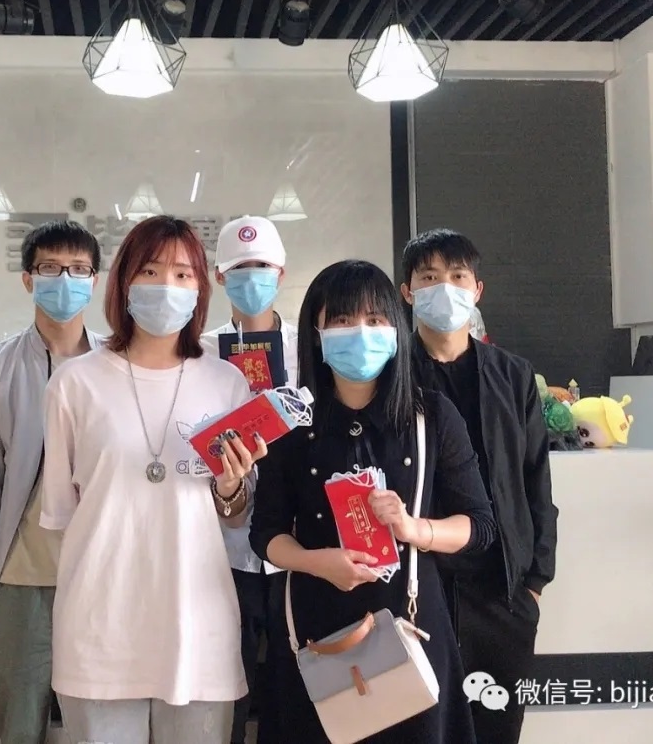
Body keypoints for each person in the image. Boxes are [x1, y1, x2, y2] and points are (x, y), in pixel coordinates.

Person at [39, 215, 266, 744]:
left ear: (201, 289)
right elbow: (61, 517)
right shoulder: (75, 384)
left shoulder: (226, 382)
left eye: (183, 274)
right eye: (150, 270)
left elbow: (238, 519)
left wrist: (229, 488)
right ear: (123, 282)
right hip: (99, 631)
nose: (167, 285)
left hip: (198, 628)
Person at [250, 259, 496, 744]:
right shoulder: (291, 424)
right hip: (316, 633)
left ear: (396, 330)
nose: (359, 332)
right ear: (316, 332)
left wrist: (414, 529)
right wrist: (316, 562)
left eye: (375, 319)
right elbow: (266, 534)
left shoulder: (431, 416)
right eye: (342, 320)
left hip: (409, 625)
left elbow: (480, 526)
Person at [401, 228, 557, 744]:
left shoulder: (513, 375)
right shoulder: (394, 376)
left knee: (495, 729)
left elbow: (535, 480)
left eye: (456, 276)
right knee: (422, 728)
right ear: (408, 292)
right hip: (420, 586)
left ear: (477, 290)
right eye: (428, 277)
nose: (444, 288)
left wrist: (534, 583)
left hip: (501, 589)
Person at [0, 220, 102, 744]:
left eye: (79, 269)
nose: (65, 280)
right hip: (22, 575)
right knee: (20, 719)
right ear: (27, 279)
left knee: (103, 720)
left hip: (103, 570)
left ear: (95, 281)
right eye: (50, 268)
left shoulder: (117, 363)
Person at [200, 215, 297, 744]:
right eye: (240, 268)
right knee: (226, 689)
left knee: (293, 686)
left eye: (261, 266)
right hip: (222, 551)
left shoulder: (309, 348)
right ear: (219, 277)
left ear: (280, 272)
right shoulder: (200, 352)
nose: (252, 277)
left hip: (296, 547)